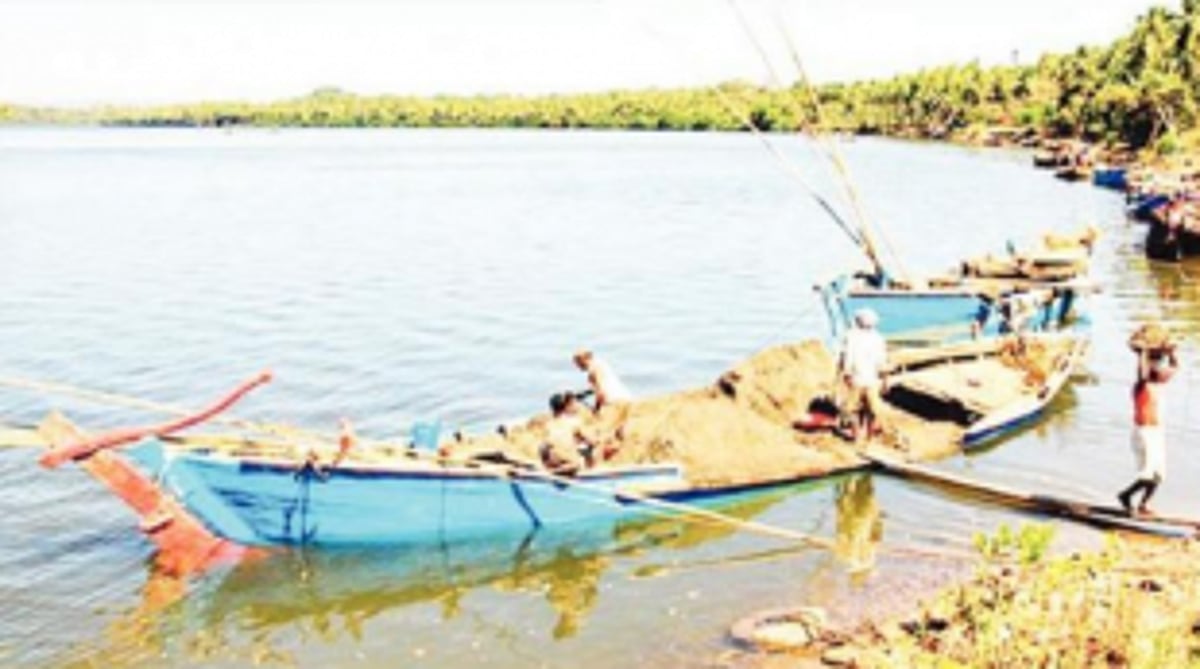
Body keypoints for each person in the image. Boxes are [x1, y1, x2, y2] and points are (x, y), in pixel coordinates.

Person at [1118, 344, 1178, 516]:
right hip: (1144, 432)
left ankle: (1144, 504)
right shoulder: (1142, 385)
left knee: (1159, 475)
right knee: (1148, 474)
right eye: (1155, 365)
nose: (1160, 368)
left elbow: (1175, 367)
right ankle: (1125, 495)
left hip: (1156, 432)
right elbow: (1142, 373)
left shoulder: (1159, 384)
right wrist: (1143, 353)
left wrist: (1171, 353)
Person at [838, 308, 888, 444]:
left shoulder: (851, 336)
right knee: (870, 409)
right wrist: (885, 380)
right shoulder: (877, 338)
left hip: (859, 378)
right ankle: (867, 437)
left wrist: (845, 374)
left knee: (854, 409)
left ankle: (858, 436)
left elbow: (846, 357)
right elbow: (882, 361)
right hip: (870, 379)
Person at [539, 392, 596, 475]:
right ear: (565, 407)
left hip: (551, 460)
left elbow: (544, 446)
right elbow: (591, 441)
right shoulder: (574, 422)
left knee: (544, 447)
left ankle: (549, 469)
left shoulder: (548, 424)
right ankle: (589, 470)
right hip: (566, 460)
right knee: (584, 456)